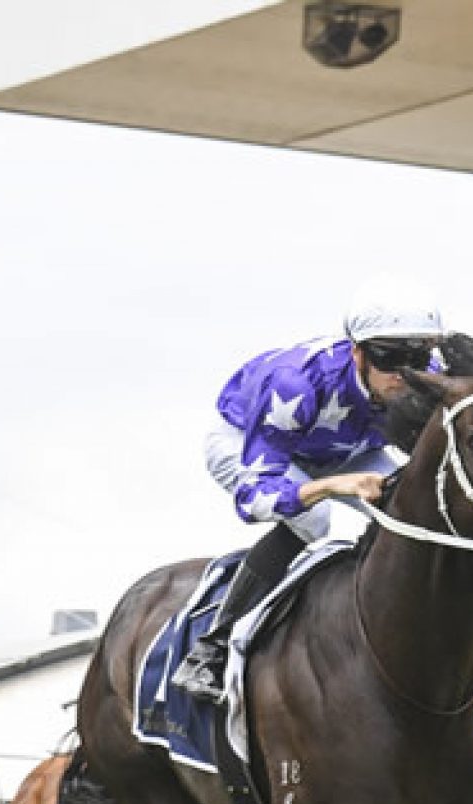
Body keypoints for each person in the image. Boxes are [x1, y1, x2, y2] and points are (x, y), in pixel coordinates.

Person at [171, 276, 443, 703]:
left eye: (419, 356)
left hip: (346, 448)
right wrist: (335, 485)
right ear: (357, 352)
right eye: (390, 358)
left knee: (409, 506)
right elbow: (255, 500)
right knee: (314, 519)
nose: (406, 375)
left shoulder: (429, 377)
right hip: (249, 443)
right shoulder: (292, 385)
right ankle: (211, 648)